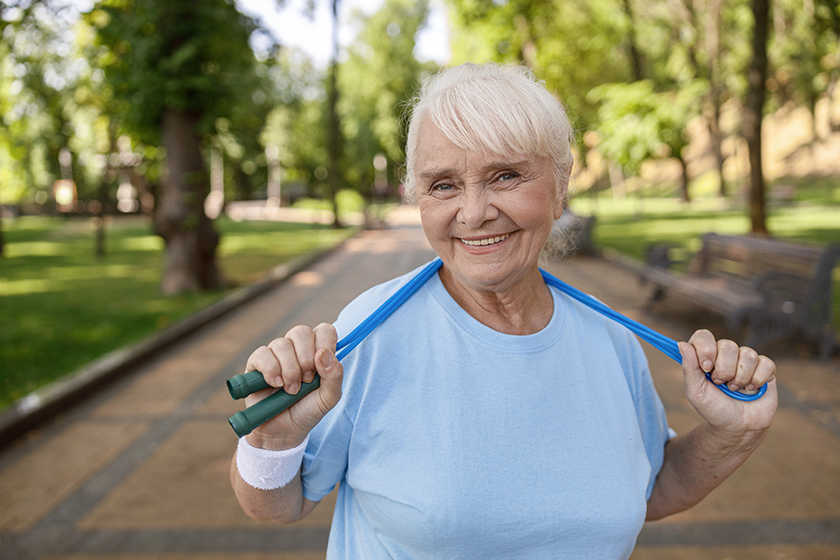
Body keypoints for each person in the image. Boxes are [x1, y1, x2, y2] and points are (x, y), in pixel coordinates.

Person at [230, 63, 777, 559]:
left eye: (505, 176)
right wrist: (272, 441)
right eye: (443, 185)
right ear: (418, 198)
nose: (473, 212)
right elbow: (276, 505)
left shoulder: (609, 338)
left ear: (560, 187)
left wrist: (733, 433)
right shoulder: (368, 336)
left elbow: (652, 488)